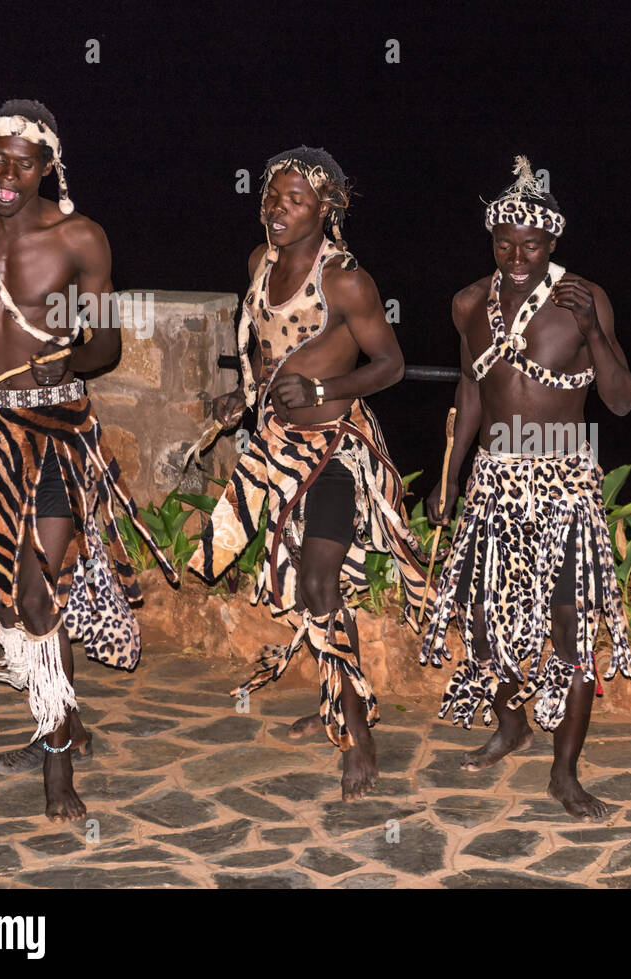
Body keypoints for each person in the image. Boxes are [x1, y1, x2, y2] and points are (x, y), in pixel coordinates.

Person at [0, 100, 175, 821]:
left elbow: (108, 344)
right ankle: (62, 723)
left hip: (52, 432)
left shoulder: (79, 237)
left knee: (37, 594)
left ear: (50, 165)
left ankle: (57, 770)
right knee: (21, 601)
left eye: (25, 162)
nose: (8, 175)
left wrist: (68, 362)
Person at [189, 146, 426, 802]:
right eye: (271, 198)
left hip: (334, 449)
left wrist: (326, 383)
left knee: (320, 578)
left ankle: (358, 731)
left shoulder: (346, 279)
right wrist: (245, 397)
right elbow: (266, 356)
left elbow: (391, 364)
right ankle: (335, 703)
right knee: (302, 584)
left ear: (328, 207)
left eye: (293, 200)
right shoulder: (258, 265)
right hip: (274, 449)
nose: (276, 210)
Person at [421, 156, 631, 821]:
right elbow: (471, 390)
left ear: (553, 242)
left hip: (563, 481)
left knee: (570, 628)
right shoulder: (468, 304)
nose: (518, 255)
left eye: (532, 243)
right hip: (494, 479)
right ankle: (512, 723)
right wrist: (450, 476)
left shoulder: (584, 297)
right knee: (488, 623)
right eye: (505, 242)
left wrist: (597, 332)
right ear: (492, 240)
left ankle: (565, 771)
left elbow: (623, 400)